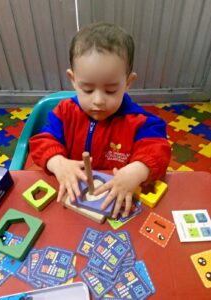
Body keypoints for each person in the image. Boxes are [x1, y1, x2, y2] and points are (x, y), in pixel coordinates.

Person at [29, 22, 171, 219]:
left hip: (116, 207)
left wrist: (137, 171)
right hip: (72, 203)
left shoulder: (141, 122)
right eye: (87, 89)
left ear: (128, 83)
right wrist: (57, 162)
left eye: (111, 90)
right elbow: (42, 142)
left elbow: (158, 150)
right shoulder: (64, 113)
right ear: (73, 79)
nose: (98, 101)